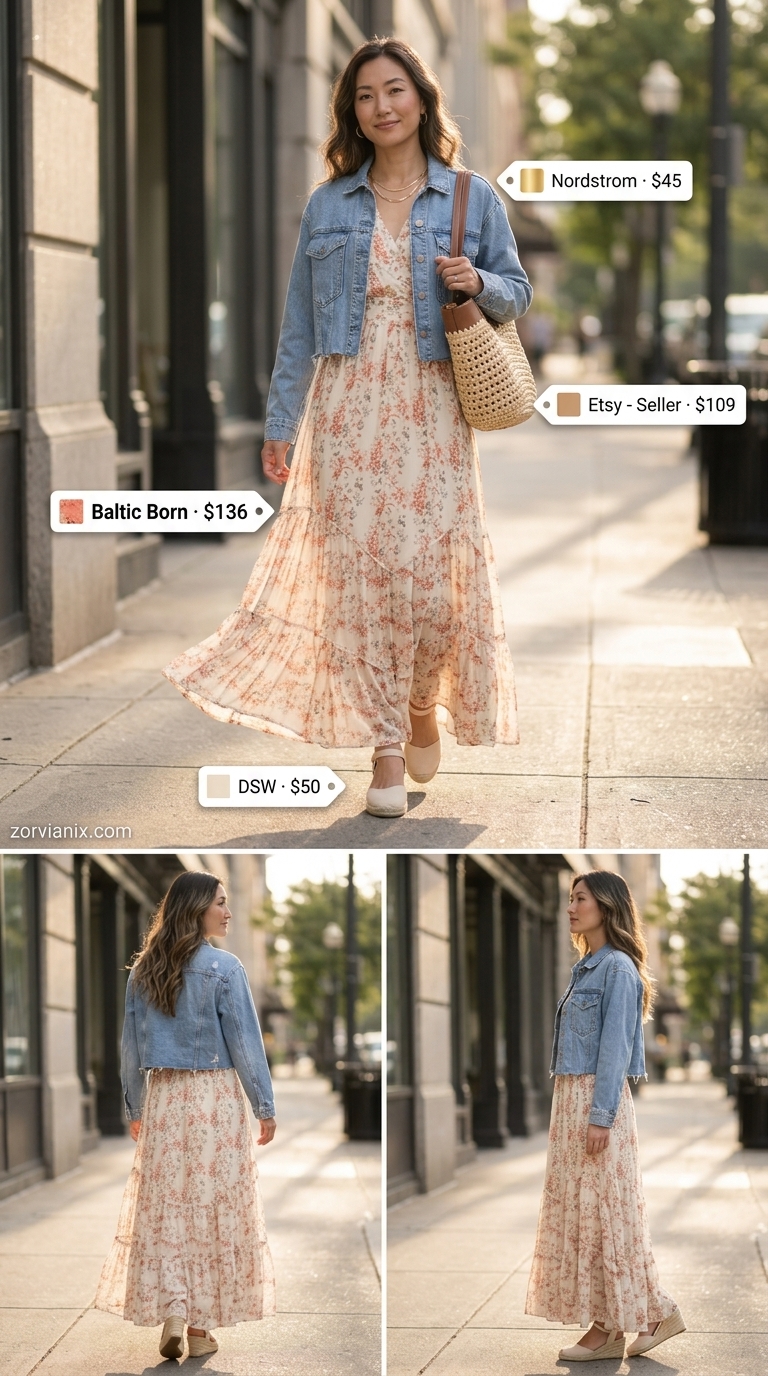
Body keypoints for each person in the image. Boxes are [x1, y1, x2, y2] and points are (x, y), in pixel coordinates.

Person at [163, 36, 532, 819]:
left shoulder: (471, 196)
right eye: (365, 96)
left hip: (433, 410)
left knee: (431, 587)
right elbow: (299, 323)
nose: (382, 107)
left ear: (423, 100)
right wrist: (280, 421)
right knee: (361, 584)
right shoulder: (329, 204)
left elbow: (518, 292)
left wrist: (481, 281)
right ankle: (386, 750)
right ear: (351, 112)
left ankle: (422, 698)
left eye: (395, 90)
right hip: (347, 411)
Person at [94, 871, 277, 1361]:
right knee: (210, 1210)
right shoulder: (224, 968)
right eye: (220, 902)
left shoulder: (142, 971)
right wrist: (264, 1105)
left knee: (168, 1209)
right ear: (197, 908)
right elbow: (245, 1044)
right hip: (214, 1102)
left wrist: (135, 1105)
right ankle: (197, 1329)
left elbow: (129, 1048)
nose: (228, 911)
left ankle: (174, 1306)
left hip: (165, 1098)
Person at [525, 870, 686, 1361]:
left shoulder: (616, 967)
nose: (570, 908)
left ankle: (648, 1313)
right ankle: (614, 1323)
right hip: (572, 1101)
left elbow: (614, 1048)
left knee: (606, 1216)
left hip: (596, 1103)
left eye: (580, 899)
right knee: (587, 1217)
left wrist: (600, 1116)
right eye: (570, 899)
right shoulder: (587, 965)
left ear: (607, 906)